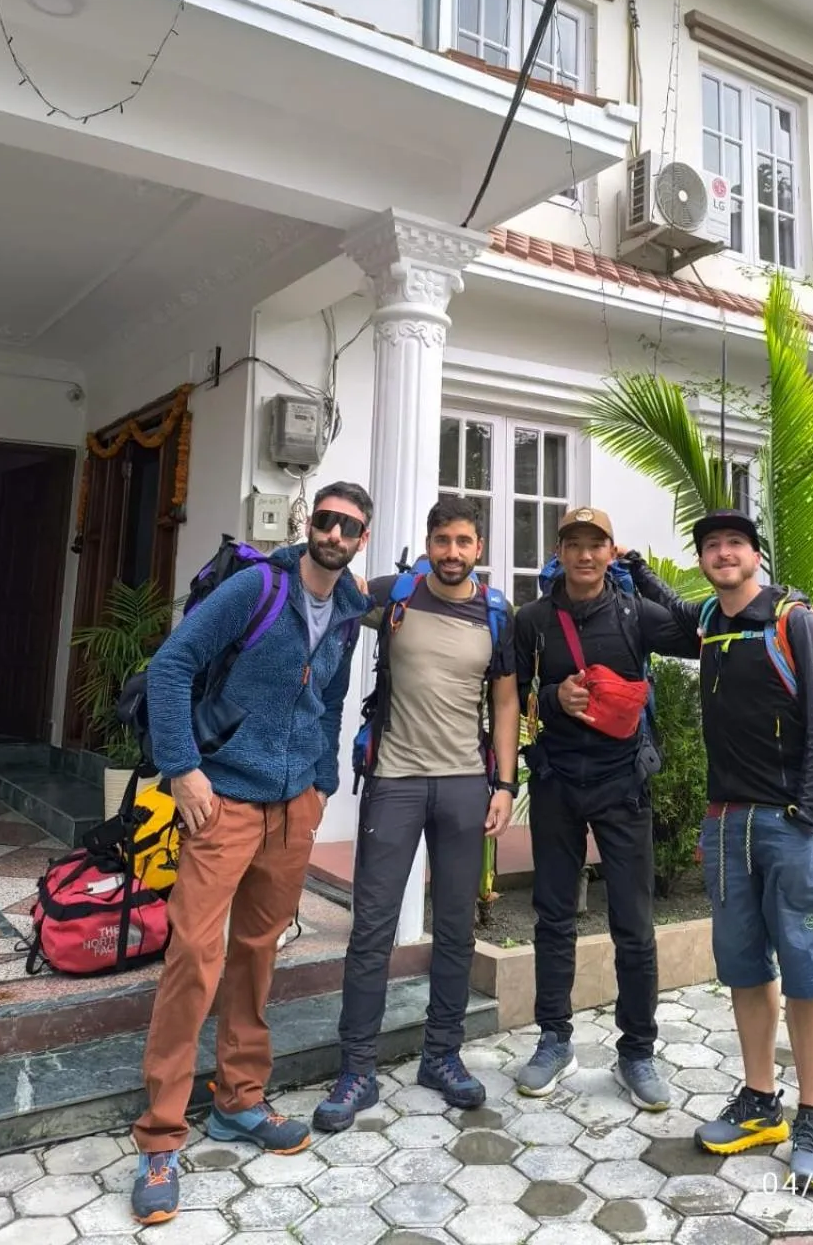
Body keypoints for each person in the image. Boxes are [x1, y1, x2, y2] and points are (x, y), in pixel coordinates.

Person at [129, 483, 373, 1226]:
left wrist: (323, 784)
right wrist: (183, 768)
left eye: (350, 526)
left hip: (294, 803)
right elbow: (173, 667)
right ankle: (162, 1135)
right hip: (223, 797)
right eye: (326, 520)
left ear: (363, 537)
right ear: (309, 524)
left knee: (258, 951)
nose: (335, 533)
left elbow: (328, 700)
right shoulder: (256, 587)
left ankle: (239, 1098)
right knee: (194, 957)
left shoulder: (353, 610)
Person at [622, 509, 813, 1193]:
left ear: (756, 556)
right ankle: (759, 1102)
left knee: (806, 966)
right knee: (744, 965)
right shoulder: (713, 625)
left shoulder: (794, 621)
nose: (723, 554)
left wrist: (811, 813)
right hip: (726, 824)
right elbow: (680, 609)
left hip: (788, 821)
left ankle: (811, 1116)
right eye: (712, 546)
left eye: (735, 546)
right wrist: (638, 573)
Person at [312, 495, 520, 1132]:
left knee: (456, 928)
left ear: (478, 548)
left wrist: (505, 785)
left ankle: (443, 1057)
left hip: (464, 784)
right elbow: (329, 583)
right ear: (427, 544)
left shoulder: (496, 612)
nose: (451, 553)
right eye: (442, 541)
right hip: (395, 782)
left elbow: (507, 700)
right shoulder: (393, 596)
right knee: (371, 927)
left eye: (463, 542)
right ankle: (357, 1071)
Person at [512, 506, 696, 1113]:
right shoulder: (534, 620)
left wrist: (646, 578)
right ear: (559, 551)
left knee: (635, 927)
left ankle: (638, 1051)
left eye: (597, 545)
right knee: (553, 917)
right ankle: (553, 1039)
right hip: (558, 781)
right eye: (574, 544)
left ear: (611, 551)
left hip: (622, 784)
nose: (585, 555)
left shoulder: (635, 614)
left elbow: (699, 637)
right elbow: (513, 694)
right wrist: (552, 696)